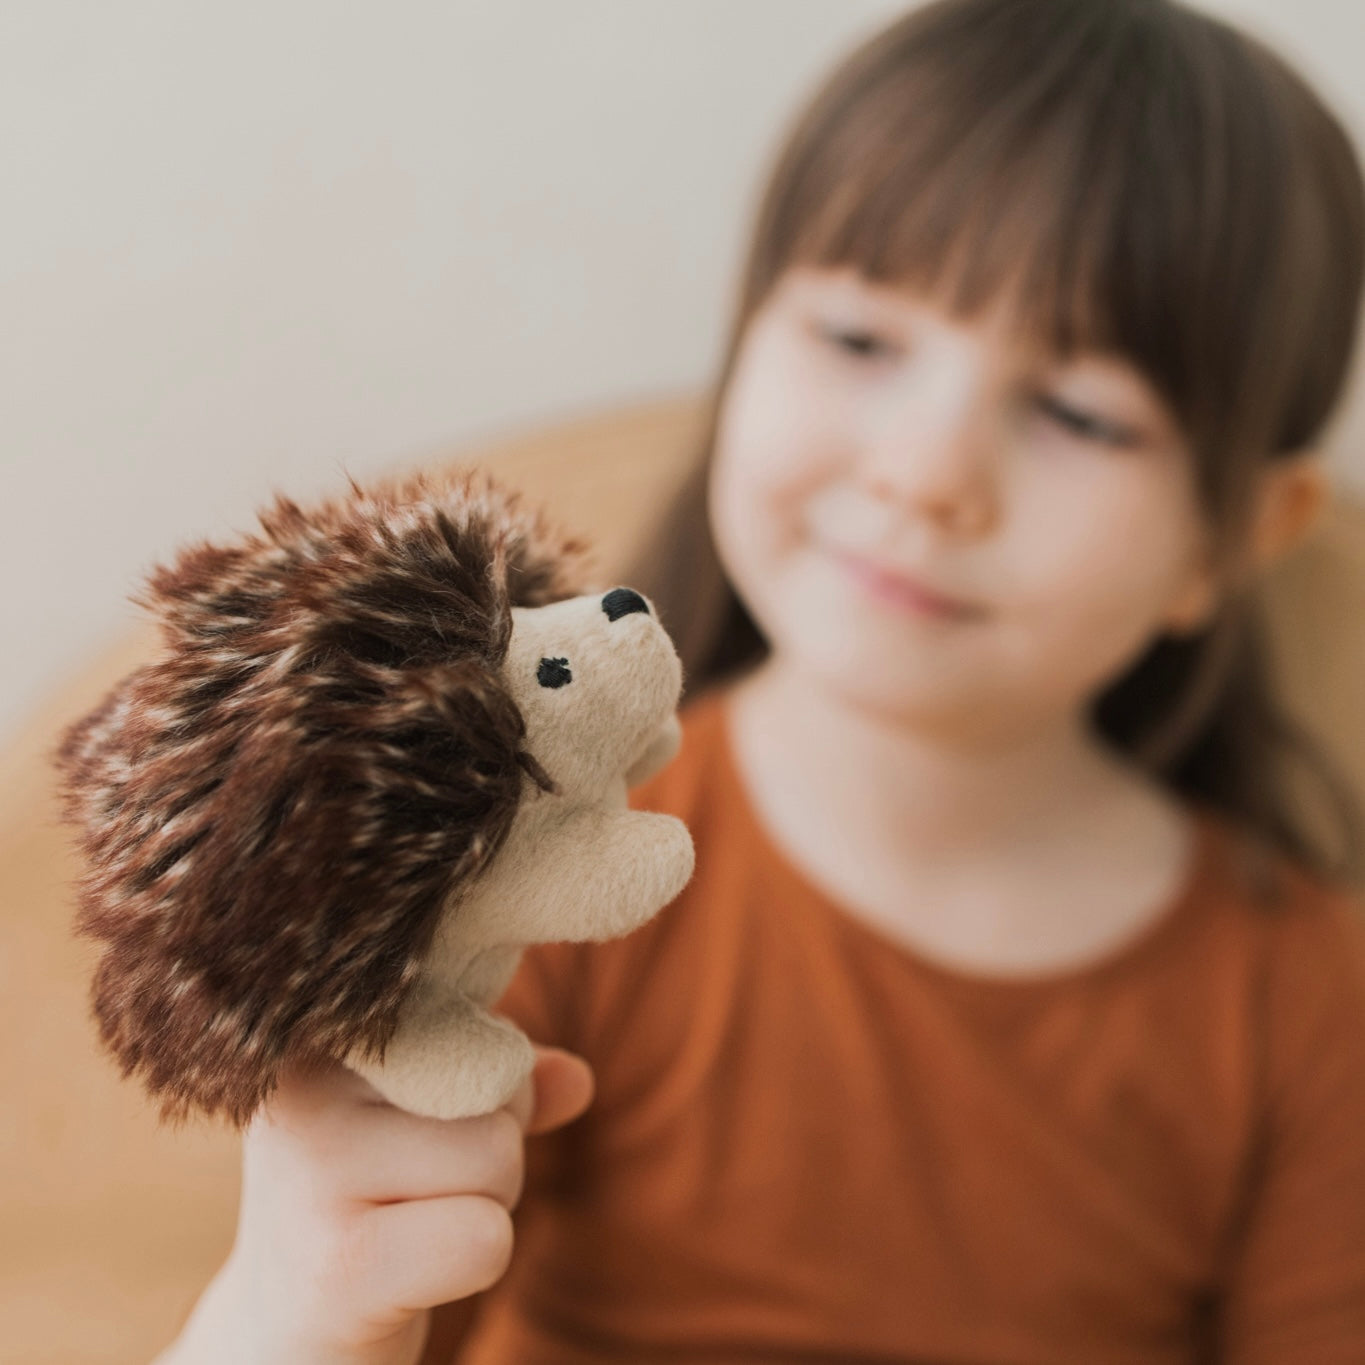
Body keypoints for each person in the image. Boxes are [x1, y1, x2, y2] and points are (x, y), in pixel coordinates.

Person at [158, 1, 1365, 1361]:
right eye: (860, 341)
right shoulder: (534, 868)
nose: (922, 471)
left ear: (1234, 537)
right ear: (743, 350)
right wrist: (282, 1304)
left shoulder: (1300, 997)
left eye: (1078, 414)